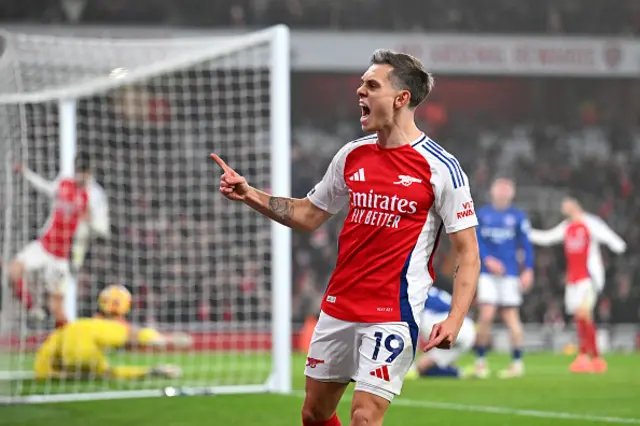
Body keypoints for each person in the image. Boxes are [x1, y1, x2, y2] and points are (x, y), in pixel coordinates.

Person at [211, 49, 480, 426]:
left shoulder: (441, 168)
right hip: (339, 305)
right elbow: (308, 214)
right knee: (314, 413)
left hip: (392, 313)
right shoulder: (352, 155)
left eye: (371, 85)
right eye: (360, 84)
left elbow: (468, 253)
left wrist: (455, 319)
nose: (360, 92)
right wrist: (249, 193)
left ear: (401, 98)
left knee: (364, 417)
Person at [9, 153, 109, 329]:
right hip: (44, 244)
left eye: (84, 173)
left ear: (90, 172)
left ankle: (62, 343)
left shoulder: (95, 195)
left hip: (63, 257)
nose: (80, 176)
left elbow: (103, 230)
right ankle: (33, 310)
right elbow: (47, 188)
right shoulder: (64, 182)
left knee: (58, 309)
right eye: (78, 171)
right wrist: (26, 173)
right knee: (14, 270)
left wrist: (90, 220)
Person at [529, 197, 626, 373]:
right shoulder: (566, 226)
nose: (562, 207)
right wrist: (526, 231)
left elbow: (608, 235)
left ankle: (592, 357)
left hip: (588, 278)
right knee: (580, 318)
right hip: (572, 280)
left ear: (574, 205)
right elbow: (547, 237)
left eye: (564, 204)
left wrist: (621, 246)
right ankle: (589, 358)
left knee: (583, 313)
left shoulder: (590, 223)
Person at [34, 284, 191, 380]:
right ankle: (154, 368)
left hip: (52, 363)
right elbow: (137, 335)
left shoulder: (76, 325)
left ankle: (153, 371)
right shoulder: (109, 327)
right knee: (107, 372)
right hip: (85, 354)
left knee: (101, 372)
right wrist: (169, 340)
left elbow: (47, 350)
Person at [472, 178, 534, 378]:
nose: (502, 192)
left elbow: (526, 245)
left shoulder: (518, 217)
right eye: (499, 188)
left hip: (509, 275)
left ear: (512, 193)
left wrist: (529, 269)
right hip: (488, 274)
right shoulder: (483, 214)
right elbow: (476, 241)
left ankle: (517, 363)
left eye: (506, 189)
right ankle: (480, 362)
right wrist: (487, 259)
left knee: (511, 317)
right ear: (492, 191)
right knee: (486, 315)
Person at [406, 287, 476, 379]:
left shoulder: (412, 288)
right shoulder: (431, 288)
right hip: (467, 327)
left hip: (440, 320)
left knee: (408, 325)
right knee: (422, 367)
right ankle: (459, 372)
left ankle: (406, 367)